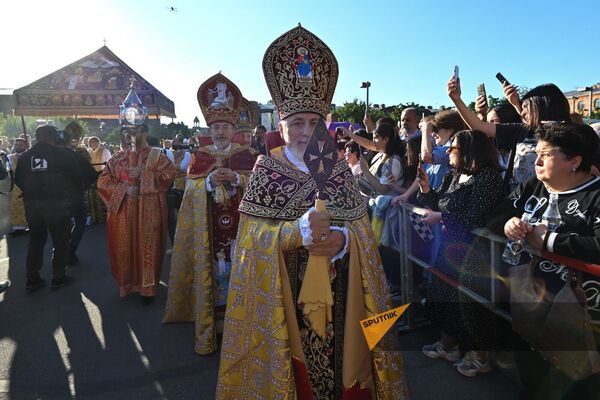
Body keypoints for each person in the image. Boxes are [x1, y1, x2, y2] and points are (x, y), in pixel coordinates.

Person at [216, 25, 408, 399]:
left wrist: (344, 240)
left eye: (314, 123)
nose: (306, 132)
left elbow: (364, 235)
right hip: (286, 303)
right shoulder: (266, 171)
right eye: (297, 123)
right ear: (281, 126)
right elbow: (250, 243)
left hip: (341, 298)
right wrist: (295, 233)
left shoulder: (338, 172)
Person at [491, 122, 600, 399]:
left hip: (581, 313)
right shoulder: (532, 186)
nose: (536, 161)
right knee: (532, 370)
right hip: (530, 299)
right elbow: (497, 215)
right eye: (537, 153)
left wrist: (550, 242)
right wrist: (509, 224)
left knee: (577, 380)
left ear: (575, 161)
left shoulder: (595, 196)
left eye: (546, 155)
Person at [163, 73, 257, 354]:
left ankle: (241, 325)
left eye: (225, 126)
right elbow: (189, 192)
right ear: (209, 128)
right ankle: (213, 326)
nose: (220, 132)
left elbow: (261, 189)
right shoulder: (200, 156)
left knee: (239, 269)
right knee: (215, 272)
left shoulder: (246, 156)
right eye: (215, 126)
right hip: (211, 228)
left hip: (240, 226)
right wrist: (206, 183)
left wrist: (240, 181)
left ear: (233, 128)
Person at [417, 130, 504, 377]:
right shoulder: (453, 176)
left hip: (476, 252)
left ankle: (479, 357)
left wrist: (441, 217)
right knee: (445, 294)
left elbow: (474, 215)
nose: (447, 153)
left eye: (452, 149)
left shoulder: (488, 178)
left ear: (469, 151)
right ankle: (449, 346)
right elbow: (439, 203)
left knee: (472, 303)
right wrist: (425, 189)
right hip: (450, 246)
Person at [448, 77, 571, 192]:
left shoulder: (571, 135)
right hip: (517, 198)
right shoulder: (521, 130)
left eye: (526, 108)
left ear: (541, 106)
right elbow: (479, 127)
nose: (522, 113)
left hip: (553, 199)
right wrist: (457, 100)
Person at [97, 124, 175, 304]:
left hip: (150, 210)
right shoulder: (117, 158)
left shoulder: (157, 157)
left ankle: (148, 288)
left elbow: (167, 178)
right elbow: (102, 181)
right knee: (124, 247)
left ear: (145, 133)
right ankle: (128, 284)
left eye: (134, 131)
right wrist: (124, 190)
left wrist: (144, 175)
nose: (128, 135)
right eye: (125, 131)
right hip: (123, 212)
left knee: (149, 248)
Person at [14, 125, 84, 292]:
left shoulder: (25, 156)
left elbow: (18, 179)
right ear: (54, 137)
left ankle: (32, 278)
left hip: (32, 203)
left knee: (36, 240)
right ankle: (59, 277)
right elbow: (77, 177)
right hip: (56, 202)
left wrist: (32, 190)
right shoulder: (62, 154)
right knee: (60, 240)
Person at [7, 138, 29, 233]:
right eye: (16, 145)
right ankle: (18, 226)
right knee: (16, 204)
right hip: (15, 184)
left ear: (26, 145)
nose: (18, 147)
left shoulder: (29, 155)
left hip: (29, 183)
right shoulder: (10, 157)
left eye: (20, 145)